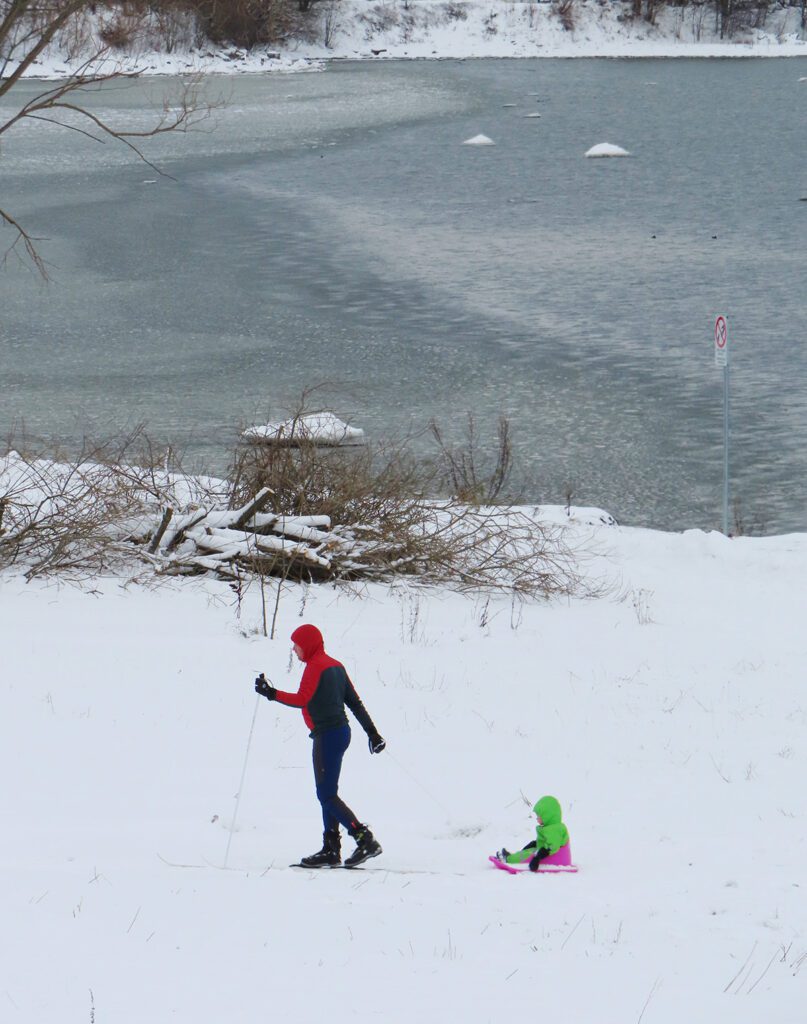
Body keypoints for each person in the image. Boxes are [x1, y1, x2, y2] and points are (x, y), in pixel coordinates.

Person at [255, 623, 386, 868]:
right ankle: (331, 849)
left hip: (327, 736)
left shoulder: (316, 667)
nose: (294, 649)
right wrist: (373, 733)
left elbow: (301, 700)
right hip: (339, 734)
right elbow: (355, 703)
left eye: (297, 645)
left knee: (326, 795)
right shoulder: (336, 666)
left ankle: (363, 839)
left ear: (308, 645)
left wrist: (271, 694)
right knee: (328, 795)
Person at [497, 795, 569, 872]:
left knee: (528, 855)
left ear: (547, 816)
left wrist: (537, 858)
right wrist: (535, 843)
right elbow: (546, 841)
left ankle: (508, 859)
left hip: (552, 856)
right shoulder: (551, 827)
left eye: (539, 816)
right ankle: (512, 857)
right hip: (544, 850)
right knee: (528, 851)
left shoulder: (554, 829)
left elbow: (552, 846)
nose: (537, 818)